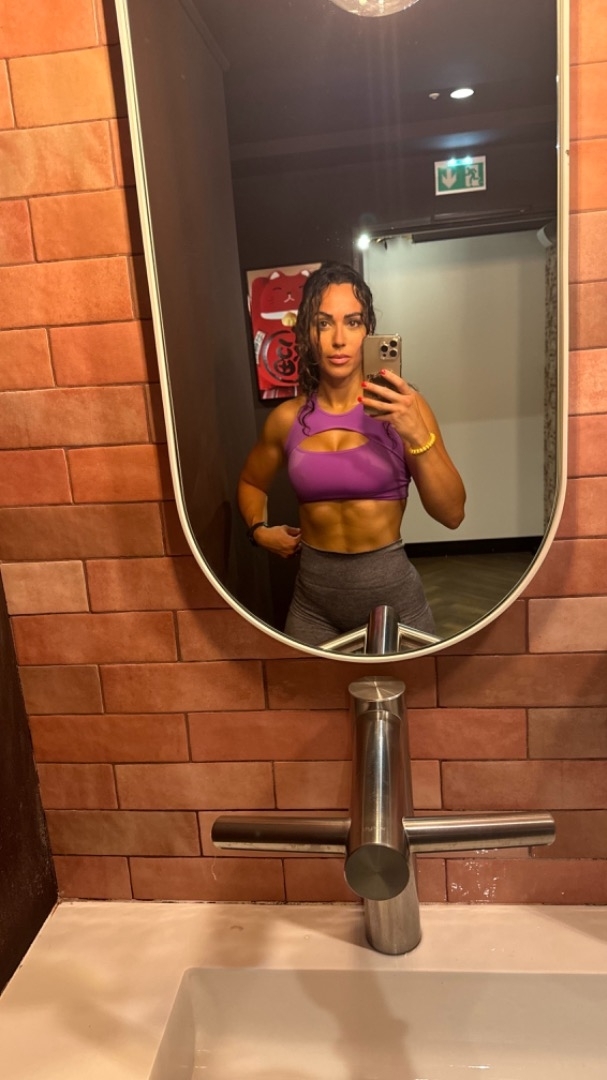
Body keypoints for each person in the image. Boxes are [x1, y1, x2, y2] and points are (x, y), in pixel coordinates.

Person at [238, 262, 466, 647]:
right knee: (307, 688)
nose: (339, 339)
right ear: (307, 332)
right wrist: (259, 532)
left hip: (393, 602)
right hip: (313, 606)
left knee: (415, 687)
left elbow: (453, 515)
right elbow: (251, 483)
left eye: (353, 322)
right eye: (324, 323)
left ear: (368, 331)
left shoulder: (405, 407)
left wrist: (415, 433)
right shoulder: (287, 419)